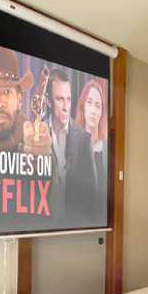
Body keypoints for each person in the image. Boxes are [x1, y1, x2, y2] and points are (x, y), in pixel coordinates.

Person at [46, 68, 98, 223]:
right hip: (42, 224)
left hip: (73, 226)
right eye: (60, 99)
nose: (65, 107)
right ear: (48, 100)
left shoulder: (84, 140)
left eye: (68, 99)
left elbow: (93, 196)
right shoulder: (35, 135)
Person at [74, 80, 108, 216]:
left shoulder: (106, 150)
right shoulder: (72, 148)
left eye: (97, 105)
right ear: (83, 107)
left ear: (101, 113)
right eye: (89, 102)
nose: (93, 110)